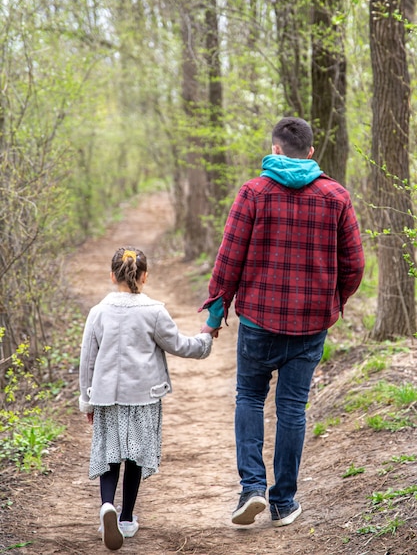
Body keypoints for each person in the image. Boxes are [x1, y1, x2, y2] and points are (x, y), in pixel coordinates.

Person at [199, 117, 365, 528]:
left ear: (275, 150)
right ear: (310, 153)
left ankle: (251, 488)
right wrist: (334, 302)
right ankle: (283, 502)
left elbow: (229, 258)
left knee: (250, 399)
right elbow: (355, 265)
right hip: (311, 326)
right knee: (292, 408)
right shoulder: (336, 196)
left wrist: (217, 313)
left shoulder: (253, 193)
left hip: (258, 320)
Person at [79, 246, 213, 551]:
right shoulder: (154, 311)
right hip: (143, 399)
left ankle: (105, 510)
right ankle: (125, 518)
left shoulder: (98, 312)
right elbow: (179, 345)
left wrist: (87, 400)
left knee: (110, 455)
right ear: (145, 276)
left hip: (107, 398)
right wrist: (205, 337)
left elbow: (88, 360)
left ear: (112, 276)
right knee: (136, 458)